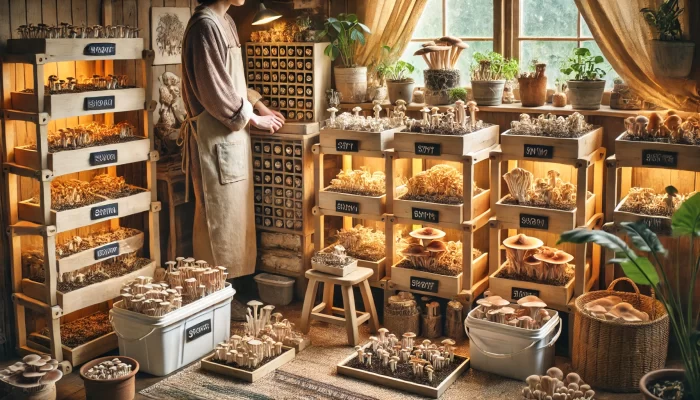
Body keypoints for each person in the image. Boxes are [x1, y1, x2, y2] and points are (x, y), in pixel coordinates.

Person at [179, 0, 284, 278]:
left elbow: (232, 83)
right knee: (217, 223)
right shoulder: (205, 26)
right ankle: (215, 290)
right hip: (215, 141)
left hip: (232, 139)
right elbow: (215, 91)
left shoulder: (227, 22)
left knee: (236, 222)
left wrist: (258, 104)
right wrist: (252, 118)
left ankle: (233, 289)